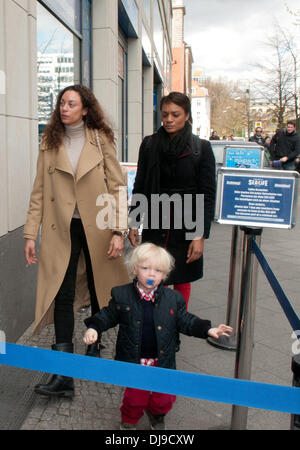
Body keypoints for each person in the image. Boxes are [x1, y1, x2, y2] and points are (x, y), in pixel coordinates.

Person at [24, 85, 129, 397]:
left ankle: (94, 341)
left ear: (85, 109)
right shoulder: (49, 141)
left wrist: (118, 230)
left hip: (97, 224)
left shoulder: (101, 139)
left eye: (71, 103)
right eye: (61, 103)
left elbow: (117, 186)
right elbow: (39, 190)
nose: (64, 108)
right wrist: (31, 233)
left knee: (100, 286)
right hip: (61, 227)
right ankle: (63, 374)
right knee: (62, 292)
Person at [83, 243, 233, 430]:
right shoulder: (122, 295)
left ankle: (156, 413)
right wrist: (94, 328)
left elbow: (186, 320)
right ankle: (129, 421)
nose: (151, 274)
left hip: (163, 359)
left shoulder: (173, 299)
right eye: (145, 268)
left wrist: (207, 329)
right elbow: (107, 315)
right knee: (135, 398)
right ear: (134, 269)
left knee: (166, 398)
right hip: (134, 360)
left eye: (158, 270)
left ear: (165, 275)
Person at [128, 92, 216, 309]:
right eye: (165, 114)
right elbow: (140, 184)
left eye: (175, 114)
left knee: (182, 275)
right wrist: (133, 222)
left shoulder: (201, 148)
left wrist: (199, 235)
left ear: (186, 116)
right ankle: (152, 319)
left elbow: (207, 194)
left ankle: (177, 320)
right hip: (156, 221)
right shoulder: (149, 145)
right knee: (151, 272)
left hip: (186, 223)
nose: (168, 119)